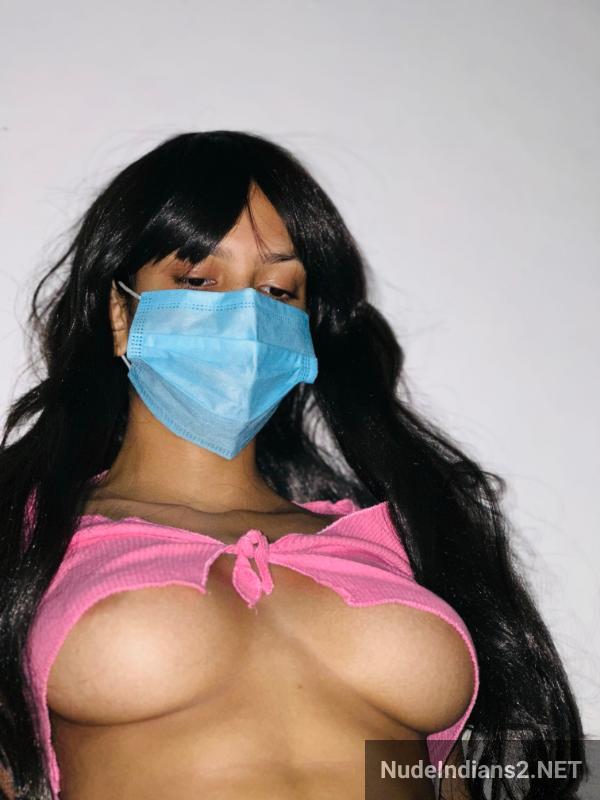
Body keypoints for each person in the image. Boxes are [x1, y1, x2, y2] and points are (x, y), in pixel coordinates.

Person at [0, 131, 586, 800]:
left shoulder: (407, 537)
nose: (247, 315)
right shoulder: (23, 535)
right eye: (198, 280)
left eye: (279, 291)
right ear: (120, 314)